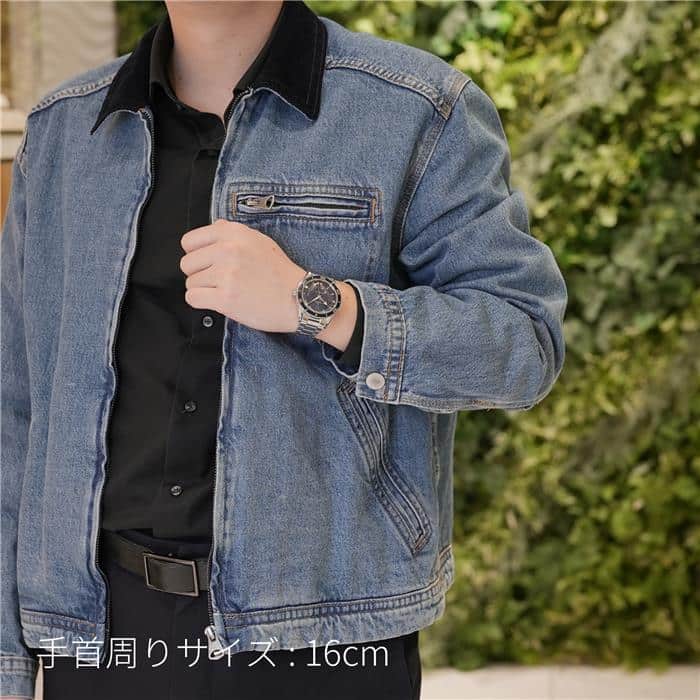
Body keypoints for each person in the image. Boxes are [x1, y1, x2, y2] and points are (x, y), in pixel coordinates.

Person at [0, 1, 567, 698]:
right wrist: (8, 664)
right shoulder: (64, 132)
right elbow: (15, 409)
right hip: (100, 634)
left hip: (327, 633)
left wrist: (317, 303)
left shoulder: (416, 110)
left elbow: (523, 341)